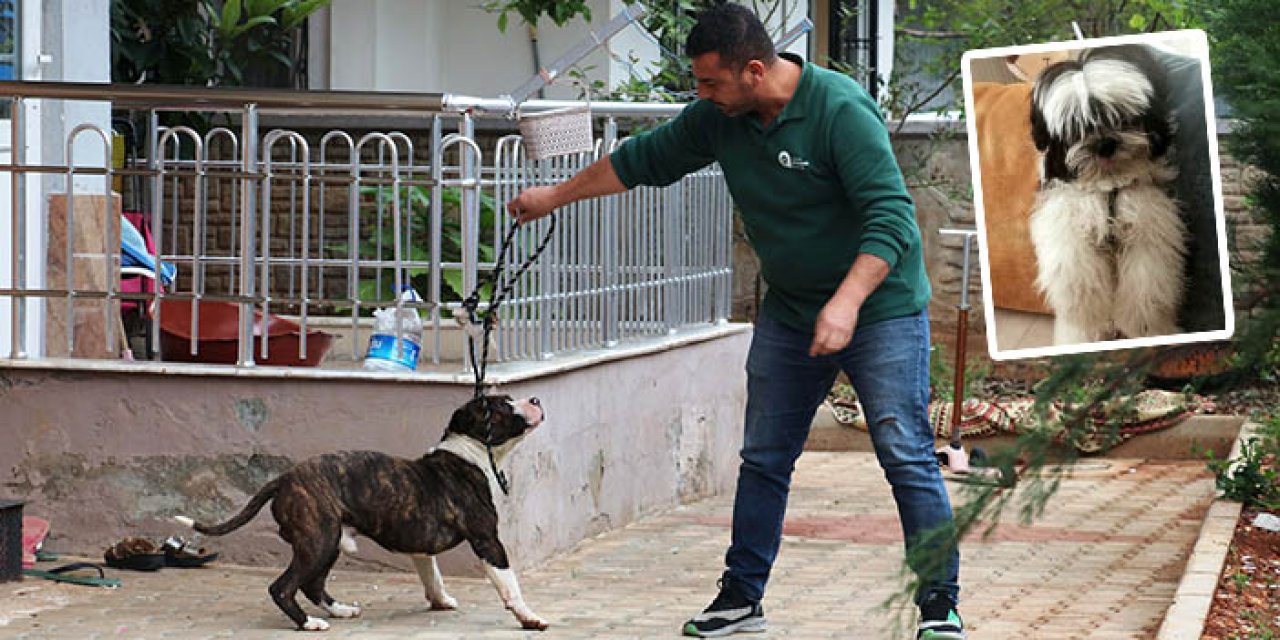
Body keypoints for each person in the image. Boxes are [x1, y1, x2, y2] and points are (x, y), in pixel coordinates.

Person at [507, 3, 964, 638]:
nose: (701, 95)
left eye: (709, 83)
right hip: (792, 314)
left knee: (905, 453)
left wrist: (846, 302)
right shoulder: (719, 118)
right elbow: (640, 161)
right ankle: (741, 598)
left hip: (878, 310)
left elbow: (892, 219)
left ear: (754, 71)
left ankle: (940, 606)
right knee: (764, 457)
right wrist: (551, 197)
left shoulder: (838, 111)